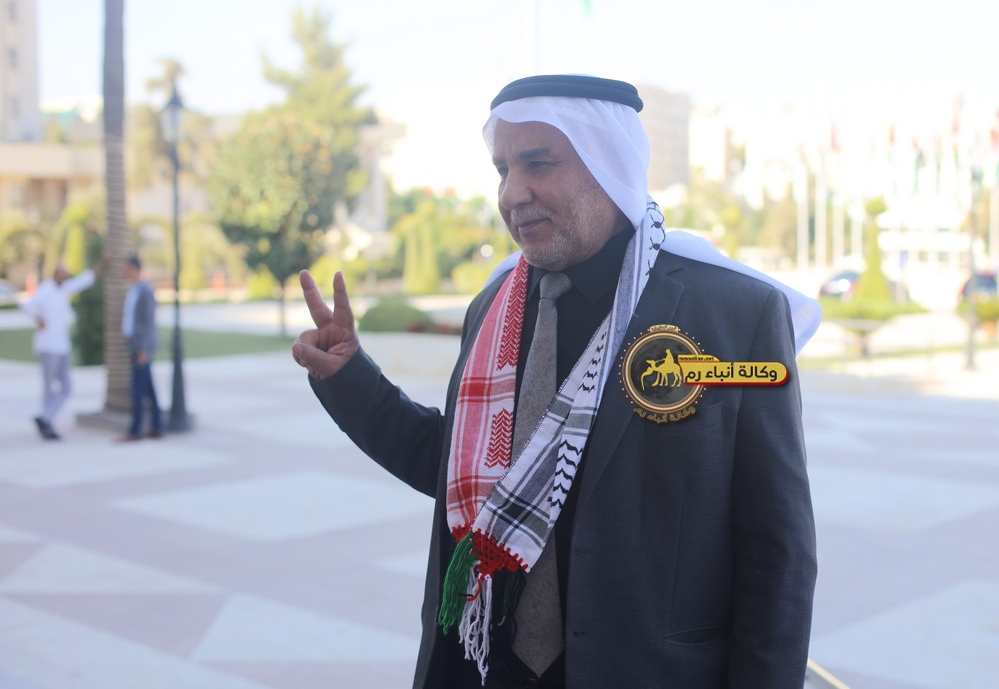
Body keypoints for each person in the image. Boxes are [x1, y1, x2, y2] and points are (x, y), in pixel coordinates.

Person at [293, 75, 820, 689]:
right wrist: (351, 379)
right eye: (502, 170)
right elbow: (465, 468)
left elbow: (775, 548)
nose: (511, 193)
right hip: (485, 668)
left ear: (607, 165)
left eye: (537, 164)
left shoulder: (731, 315)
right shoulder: (494, 306)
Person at [20, 256, 108, 440]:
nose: (65, 277)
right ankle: (47, 422)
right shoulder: (46, 289)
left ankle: (45, 417)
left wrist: (101, 264)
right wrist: (38, 318)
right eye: (62, 274)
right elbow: (27, 305)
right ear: (55, 275)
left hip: (62, 347)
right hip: (48, 346)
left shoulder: (64, 289)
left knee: (66, 387)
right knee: (49, 386)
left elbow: (84, 280)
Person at [118, 254, 163, 441]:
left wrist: (144, 349)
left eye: (126, 268)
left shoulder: (144, 290)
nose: (124, 272)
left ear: (135, 269)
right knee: (149, 388)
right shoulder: (135, 289)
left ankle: (135, 431)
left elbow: (148, 321)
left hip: (141, 348)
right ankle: (157, 426)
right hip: (135, 344)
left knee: (138, 390)